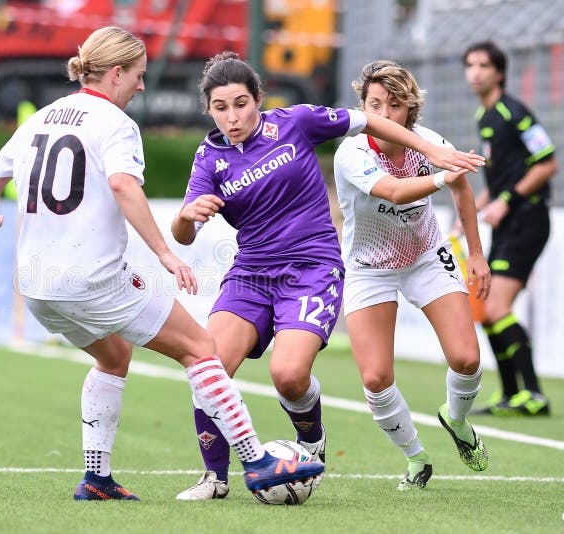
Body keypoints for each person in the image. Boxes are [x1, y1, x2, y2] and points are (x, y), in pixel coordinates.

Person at [0, 26, 325, 502]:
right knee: (201, 348)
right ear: (116, 73)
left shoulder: (43, 117)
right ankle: (256, 461)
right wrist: (164, 253)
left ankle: (96, 480)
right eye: (137, 75)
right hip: (93, 280)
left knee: (112, 357)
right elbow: (122, 185)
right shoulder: (115, 124)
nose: (141, 86)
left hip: (36, 284)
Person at [170, 52, 485, 500]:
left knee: (289, 376)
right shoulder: (209, 158)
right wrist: (186, 217)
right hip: (253, 273)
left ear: (259, 99)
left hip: (311, 268)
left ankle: (312, 439)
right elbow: (184, 233)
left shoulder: (297, 122)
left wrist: (432, 150)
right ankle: (214, 478)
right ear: (209, 110)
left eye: (241, 103)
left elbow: (369, 122)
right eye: (221, 108)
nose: (233, 116)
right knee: (208, 366)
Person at [333, 60, 491, 490]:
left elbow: (463, 188)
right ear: (363, 106)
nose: (383, 114)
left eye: (394, 105)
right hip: (369, 268)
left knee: (467, 358)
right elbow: (394, 190)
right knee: (376, 378)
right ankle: (416, 457)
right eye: (374, 104)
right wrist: (442, 173)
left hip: (425, 254)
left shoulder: (428, 143)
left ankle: (456, 421)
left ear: (410, 110)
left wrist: (476, 253)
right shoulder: (352, 152)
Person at [463, 41, 556, 416]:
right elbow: (500, 178)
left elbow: (546, 163)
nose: (475, 72)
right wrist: (476, 205)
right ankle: (511, 394)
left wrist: (506, 200)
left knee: (497, 306)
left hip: (528, 218)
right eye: (470, 65)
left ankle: (534, 394)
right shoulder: (483, 117)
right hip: (508, 220)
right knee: (487, 308)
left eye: (483, 65)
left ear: (499, 72)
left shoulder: (513, 112)